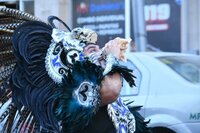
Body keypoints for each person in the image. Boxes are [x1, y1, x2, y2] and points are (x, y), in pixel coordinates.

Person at [0, 7, 150, 133]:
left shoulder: (97, 81)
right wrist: (112, 57)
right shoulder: (75, 96)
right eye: (91, 50)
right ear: (71, 63)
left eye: (97, 47)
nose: (99, 50)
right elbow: (112, 88)